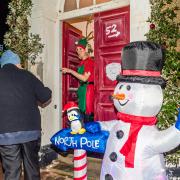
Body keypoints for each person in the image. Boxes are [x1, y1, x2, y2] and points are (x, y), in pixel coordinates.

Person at [0, 50, 52, 180]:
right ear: (17, 63)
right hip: (31, 132)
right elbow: (45, 96)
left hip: (6, 135)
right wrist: (47, 89)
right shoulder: (27, 75)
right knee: (32, 169)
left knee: (11, 171)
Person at [62, 38, 94, 122]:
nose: (78, 51)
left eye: (80, 49)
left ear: (86, 50)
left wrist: (70, 71)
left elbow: (84, 78)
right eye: (77, 49)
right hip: (82, 90)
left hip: (88, 92)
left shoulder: (89, 62)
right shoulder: (82, 63)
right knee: (81, 117)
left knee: (87, 117)